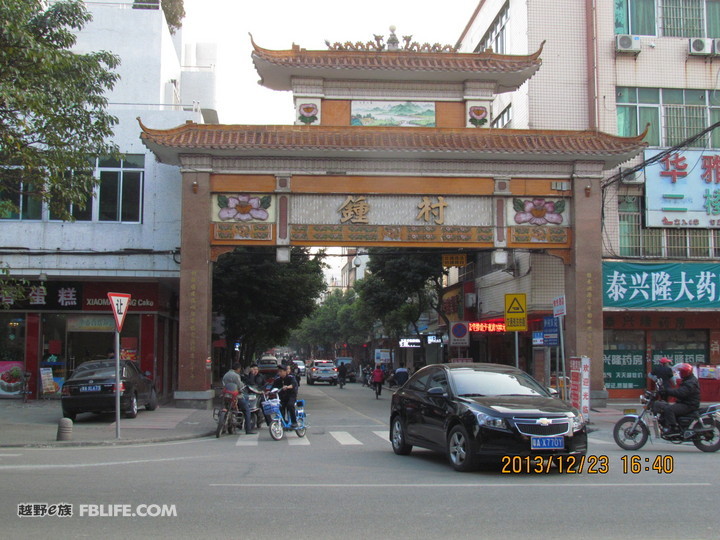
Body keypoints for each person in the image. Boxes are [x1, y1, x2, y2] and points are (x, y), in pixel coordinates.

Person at [654, 363, 700, 436]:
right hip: (686, 402)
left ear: (685, 372)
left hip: (689, 405)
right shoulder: (688, 379)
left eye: (681, 372)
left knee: (669, 409)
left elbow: (681, 392)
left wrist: (667, 391)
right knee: (665, 405)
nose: (680, 373)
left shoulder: (690, 382)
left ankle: (673, 429)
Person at [221, 363, 257, 434]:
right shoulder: (236, 376)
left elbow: (224, 384)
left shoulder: (226, 375)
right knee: (246, 410)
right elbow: (240, 386)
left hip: (226, 396)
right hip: (235, 396)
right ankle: (248, 429)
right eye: (239, 369)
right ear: (238, 369)